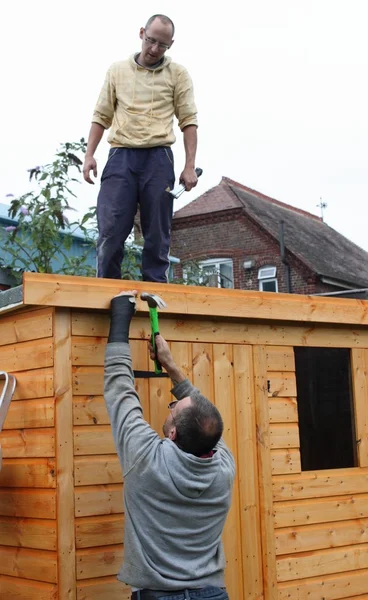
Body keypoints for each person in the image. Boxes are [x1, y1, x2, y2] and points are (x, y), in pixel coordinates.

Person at [104, 290, 235, 600]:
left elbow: (120, 390)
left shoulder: (147, 460)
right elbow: (203, 414)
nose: (171, 406)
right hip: (212, 594)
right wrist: (171, 365)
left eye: (173, 409)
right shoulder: (223, 467)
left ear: (172, 433)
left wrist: (120, 316)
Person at [83, 14, 199, 283]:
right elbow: (101, 116)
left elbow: (189, 121)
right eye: (151, 41)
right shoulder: (117, 71)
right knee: (111, 229)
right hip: (121, 156)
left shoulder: (177, 74)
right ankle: (108, 288)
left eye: (163, 45)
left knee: (157, 231)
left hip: (158, 158)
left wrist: (189, 165)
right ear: (141, 34)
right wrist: (89, 155)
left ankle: (155, 291)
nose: (155, 49)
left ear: (171, 44)